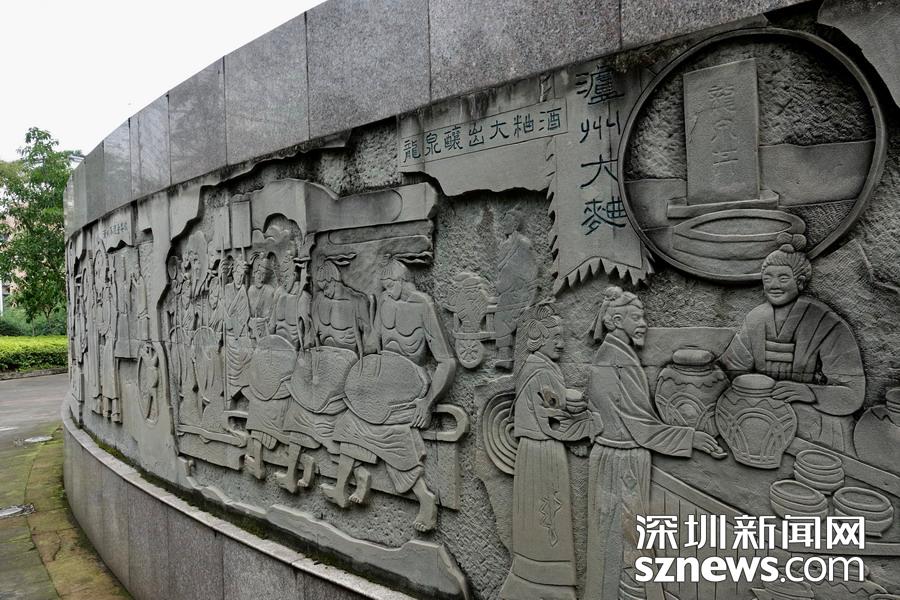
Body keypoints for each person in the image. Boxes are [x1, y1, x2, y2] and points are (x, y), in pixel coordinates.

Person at [585, 287, 722, 600]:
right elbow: (639, 425)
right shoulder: (614, 359)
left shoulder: (616, 354)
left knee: (620, 536)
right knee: (625, 537)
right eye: (636, 317)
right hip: (620, 461)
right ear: (616, 321)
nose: (643, 323)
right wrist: (691, 438)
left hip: (619, 457)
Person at [323, 259, 456, 532]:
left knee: (392, 434)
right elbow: (374, 344)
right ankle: (343, 486)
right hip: (382, 383)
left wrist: (427, 402)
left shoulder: (422, 306)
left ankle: (425, 498)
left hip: (411, 383)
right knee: (348, 423)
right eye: (384, 285)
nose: (387, 289)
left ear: (404, 281)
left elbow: (447, 362)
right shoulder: (384, 301)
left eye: (391, 284)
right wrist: (366, 328)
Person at [720, 233, 865, 453]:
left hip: (815, 422)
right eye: (768, 278)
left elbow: (853, 393)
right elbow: (732, 368)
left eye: (783, 278)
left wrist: (810, 392)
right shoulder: (756, 318)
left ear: (800, 282)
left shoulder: (825, 322)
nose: (774, 285)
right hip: (762, 415)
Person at [499, 304, 595, 600]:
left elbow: (554, 405)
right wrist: (590, 424)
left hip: (538, 450)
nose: (562, 344)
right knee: (548, 512)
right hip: (542, 451)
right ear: (538, 338)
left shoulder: (539, 367)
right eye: (556, 338)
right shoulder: (539, 371)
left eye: (562, 337)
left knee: (544, 513)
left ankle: (536, 577)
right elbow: (554, 418)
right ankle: (546, 582)